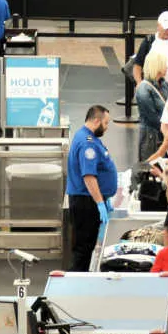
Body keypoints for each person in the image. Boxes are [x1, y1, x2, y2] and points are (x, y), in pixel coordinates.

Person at [66, 105, 117, 274]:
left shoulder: (88, 137)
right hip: (85, 202)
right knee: (84, 247)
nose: (107, 127)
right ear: (96, 121)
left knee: (86, 246)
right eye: (106, 123)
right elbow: (89, 176)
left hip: (88, 200)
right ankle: (77, 283)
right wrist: (100, 202)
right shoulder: (86, 144)